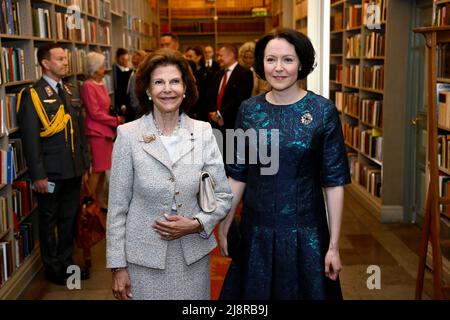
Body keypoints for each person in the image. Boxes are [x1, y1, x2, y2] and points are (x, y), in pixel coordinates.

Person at [218, 28, 351, 300]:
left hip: (307, 234)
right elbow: (237, 174)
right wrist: (225, 223)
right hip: (257, 232)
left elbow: (334, 182)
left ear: (301, 63)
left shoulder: (322, 111)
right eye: (271, 59)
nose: (278, 68)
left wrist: (334, 246)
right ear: (261, 64)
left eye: (288, 60)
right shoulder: (247, 110)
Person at [106, 48, 233, 300]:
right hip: (142, 260)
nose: (167, 89)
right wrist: (118, 267)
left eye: (175, 81)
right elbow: (117, 207)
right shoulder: (128, 136)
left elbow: (223, 196)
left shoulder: (203, 132)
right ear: (148, 91)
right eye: (159, 82)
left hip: (192, 258)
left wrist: (197, 223)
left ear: (185, 89)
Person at [17, 43, 91, 285]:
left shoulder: (69, 91)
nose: (65, 62)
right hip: (49, 173)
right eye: (59, 59)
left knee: (69, 217)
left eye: (65, 58)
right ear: (45, 63)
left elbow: (79, 133)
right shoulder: (32, 95)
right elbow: (30, 139)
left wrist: (85, 165)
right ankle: (53, 267)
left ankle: (67, 261)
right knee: (49, 219)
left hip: (72, 169)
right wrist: (38, 175)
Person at [80, 52, 124, 211]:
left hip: (106, 131)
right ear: (95, 68)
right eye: (101, 65)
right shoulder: (88, 85)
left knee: (103, 168)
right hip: (96, 132)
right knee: (97, 169)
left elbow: (105, 108)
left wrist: (114, 119)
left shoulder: (102, 83)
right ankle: (88, 205)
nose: (103, 68)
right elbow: (94, 112)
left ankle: (99, 202)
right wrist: (115, 121)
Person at [208, 44, 253, 161]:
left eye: (220, 55)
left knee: (231, 159)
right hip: (216, 124)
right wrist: (214, 114)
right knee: (217, 158)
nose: (218, 58)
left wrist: (220, 114)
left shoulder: (244, 74)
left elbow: (241, 99)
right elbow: (212, 96)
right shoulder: (218, 75)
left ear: (231, 55)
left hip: (233, 124)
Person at [184, 46, 211, 122]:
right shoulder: (184, 73)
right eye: (186, 56)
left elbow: (208, 95)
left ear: (199, 57)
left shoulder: (207, 74)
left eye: (190, 56)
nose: (188, 59)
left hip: (202, 112)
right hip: (187, 111)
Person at [127, 50, 148, 120]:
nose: (134, 60)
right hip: (132, 110)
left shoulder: (140, 74)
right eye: (133, 58)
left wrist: (136, 108)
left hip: (139, 112)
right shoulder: (132, 71)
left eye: (137, 58)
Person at [112, 48, 132, 118]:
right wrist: (122, 105)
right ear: (117, 58)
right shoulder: (114, 71)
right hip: (120, 103)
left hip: (128, 101)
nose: (125, 62)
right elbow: (119, 89)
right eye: (122, 59)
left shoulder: (129, 70)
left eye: (126, 60)